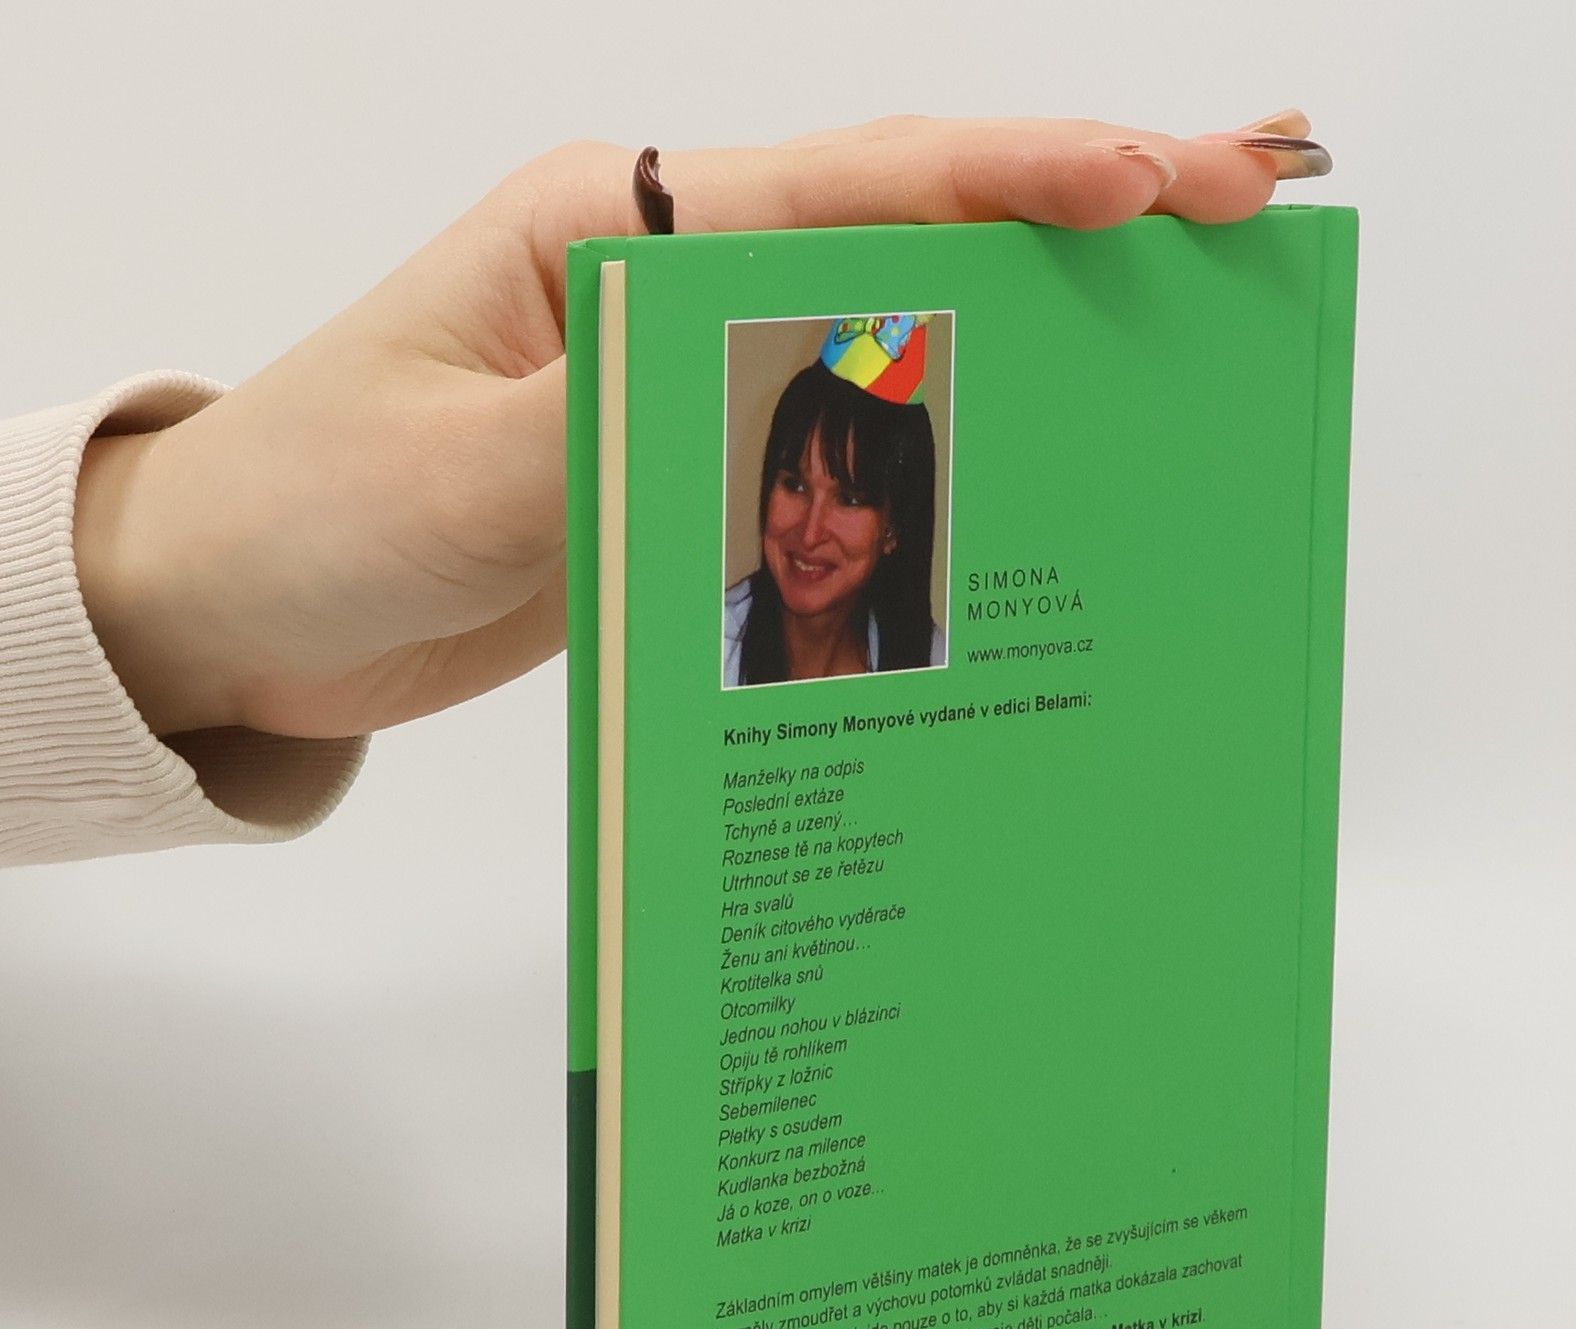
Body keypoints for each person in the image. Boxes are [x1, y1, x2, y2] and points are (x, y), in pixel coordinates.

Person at [0, 115, 1328, 865]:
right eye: (790, 479)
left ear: (902, 527)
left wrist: (180, 600)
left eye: (851, 495)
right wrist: (182, 588)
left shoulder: (936, 661)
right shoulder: (710, 644)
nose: (807, 524)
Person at [725, 314, 945, 688]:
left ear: (893, 527)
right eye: (795, 486)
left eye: (849, 499)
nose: (810, 534)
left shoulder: (933, 660)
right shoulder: (707, 653)